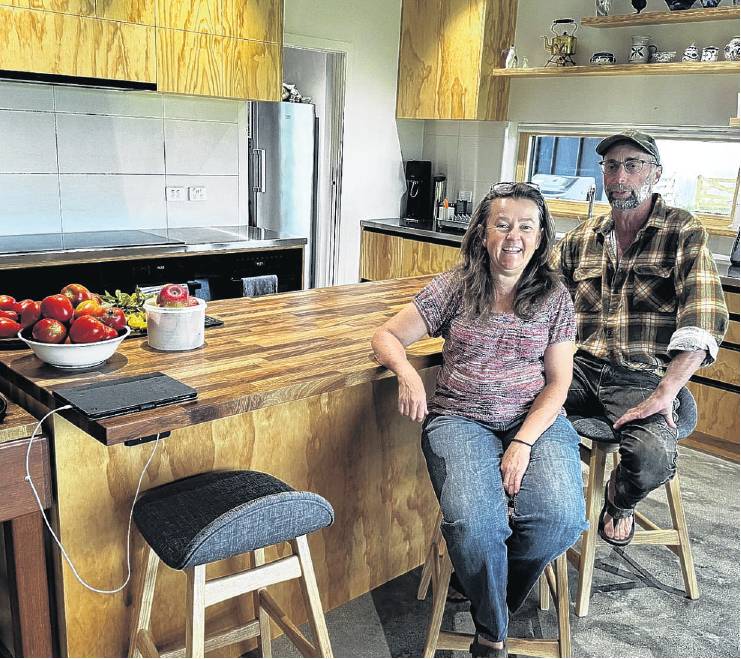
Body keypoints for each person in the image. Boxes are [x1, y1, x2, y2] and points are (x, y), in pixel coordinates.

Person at [371, 183, 586, 657]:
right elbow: (387, 334)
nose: (514, 237)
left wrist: (524, 442)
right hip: (459, 420)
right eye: (502, 225)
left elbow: (558, 383)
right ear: (483, 233)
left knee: (560, 519)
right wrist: (406, 372)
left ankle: (491, 595)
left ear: (541, 235)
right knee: (472, 525)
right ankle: (492, 633)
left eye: (526, 227)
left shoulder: (555, 297)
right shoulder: (455, 286)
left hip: (534, 421)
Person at [559, 130, 728, 546]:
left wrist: (665, 392)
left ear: (655, 173)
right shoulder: (581, 239)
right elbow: (543, 302)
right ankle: (540, 508)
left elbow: (704, 314)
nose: (620, 177)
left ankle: (618, 500)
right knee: (507, 407)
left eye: (632, 165)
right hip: (579, 367)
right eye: (611, 166)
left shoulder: (682, 231)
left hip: (641, 375)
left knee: (651, 460)